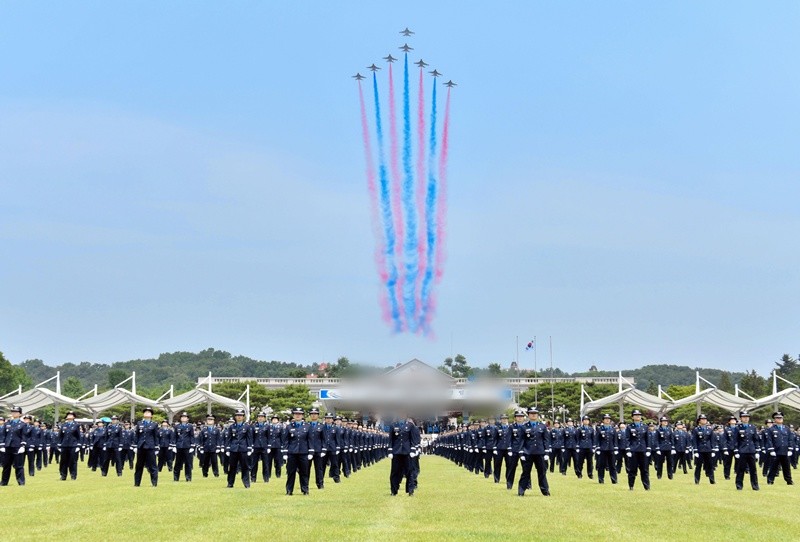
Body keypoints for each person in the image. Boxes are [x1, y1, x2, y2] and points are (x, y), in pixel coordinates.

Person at [518, 407, 551, 497]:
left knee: (542, 473)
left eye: (535, 413)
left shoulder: (542, 426)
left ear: (537, 415)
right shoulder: (524, 427)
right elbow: (521, 441)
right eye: (531, 413)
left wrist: (547, 452)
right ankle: (521, 491)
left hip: (540, 453)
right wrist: (521, 453)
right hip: (528, 453)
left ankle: (545, 491)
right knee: (525, 473)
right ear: (528, 415)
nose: (533, 415)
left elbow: (546, 440)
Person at [388, 412, 421, 496]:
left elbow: (413, 439)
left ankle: (410, 490)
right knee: (395, 472)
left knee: (409, 472)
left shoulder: (410, 425)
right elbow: (390, 440)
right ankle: (394, 490)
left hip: (407, 452)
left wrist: (413, 450)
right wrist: (390, 451)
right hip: (396, 452)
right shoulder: (393, 425)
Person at [282, 407, 312, 495]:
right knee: (291, 472)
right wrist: (285, 452)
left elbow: (310, 440)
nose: (298, 415)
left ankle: (305, 490)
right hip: (292, 453)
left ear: (302, 415)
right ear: (293, 415)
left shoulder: (308, 426)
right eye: (296, 414)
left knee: (304, 472)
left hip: (303, 452)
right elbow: (286, 440)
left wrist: (311, 452)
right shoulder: (289, 427)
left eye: (299, 414)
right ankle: (289, 490)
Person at [224, 409, 253, 488]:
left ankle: (246, 483)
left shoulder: (247, 426)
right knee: (232, 467)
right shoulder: (232, 427)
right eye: (237, 415)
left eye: (240, 415)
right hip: (233, 449)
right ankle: (230, 483)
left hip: (243, 449)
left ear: (243, 417)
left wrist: (250, 448)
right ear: (235, 417)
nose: (239, 417)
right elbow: (228, 439)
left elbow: (249, 438)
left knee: (245, 467)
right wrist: (227, 448)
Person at [732, 411, 760, 491]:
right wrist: (736, 451)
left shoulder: (753, 427)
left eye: (747, 417)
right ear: (741, 418)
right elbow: (735, 440)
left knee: (753, 470)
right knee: (740, 470)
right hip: (742, 451)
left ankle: (755, 486)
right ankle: (739, 485)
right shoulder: (738, 428)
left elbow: (756, 440)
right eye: (744, 417)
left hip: (751, 451)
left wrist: (757, 450)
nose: (746, 418)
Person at [624, 410, 651, 490]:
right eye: (635, 415)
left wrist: (648, 449)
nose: (637, 416)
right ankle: (631, 486)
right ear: (632, 417)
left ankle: (647, 487)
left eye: (639, 415)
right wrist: (628, 449)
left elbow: (647, 439)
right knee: (632, 470)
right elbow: (627, 439)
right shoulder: (629, 427)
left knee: (645, 470)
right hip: (633, 451)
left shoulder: (645, 427)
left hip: (643, 450)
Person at [765, 411, 794, 486]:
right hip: (776, 451)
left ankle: (789, 481)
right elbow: (769, 440)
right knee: (773, 467)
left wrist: (790, 449)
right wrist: (771, 449)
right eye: (777, 418)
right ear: (774, 419)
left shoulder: (786, 428)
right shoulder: (771, 429)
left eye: (781, 418)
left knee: (786, 467)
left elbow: (790, 439)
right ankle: (770, 480)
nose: (780, 419)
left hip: (785, 451)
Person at [134, 406, 159, 487]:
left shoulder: (154, 424)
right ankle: (137, 483)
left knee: (152, 466)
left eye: (149, 412)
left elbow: (156, 436)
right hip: (141, 446)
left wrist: (156, 447)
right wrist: (135, 446)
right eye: (145, 412)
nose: (147, 413)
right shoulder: (139, 423)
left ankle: (154, 483)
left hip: (150, 447)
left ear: (151, 415)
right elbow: (136, 435)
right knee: (139, 466)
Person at [692, 413, 716, 485]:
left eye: (705, 419)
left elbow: (712, 440)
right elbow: (694, 441)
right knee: (698, 466)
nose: (704, 420)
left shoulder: (710, 430)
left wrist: (713, 450)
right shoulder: (696, 430)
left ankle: (712, 480)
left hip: (708, 449)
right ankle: (697, 480)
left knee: (710, 465)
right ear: (699, 421)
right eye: (702, 419)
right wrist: (695, 450)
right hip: (700, 450)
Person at [57, 410, 81, 481]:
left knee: (72, 461)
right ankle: (63, 475)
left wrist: (78, 445)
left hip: (73, 445)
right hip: (64, 445)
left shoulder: (76, 425)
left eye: (71, 415)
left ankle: (73, 475)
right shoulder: (64, 425)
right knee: (63, 461)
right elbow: (60, 436)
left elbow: (78, 436)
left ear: (74, 417)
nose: (69, 416)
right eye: (68, 415)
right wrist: (59, 445)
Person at [506, 410, 526, 489]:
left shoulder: (526, 426)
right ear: (515, 418)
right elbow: (509, 438)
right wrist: (509, 449)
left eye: (521, 416)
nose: (520, 418)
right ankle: (509, 484)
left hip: (524, 450)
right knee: (511, 468)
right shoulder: (512, 427)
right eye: (518, 416)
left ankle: (527, 484)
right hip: (514, 449)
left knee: (526, 468)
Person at [307, 408, 327, 489]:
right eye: (312, 414)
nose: (313, 415)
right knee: (306, 468)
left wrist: (324, 449)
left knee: (319, 468)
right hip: (308, 450)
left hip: (318, 450)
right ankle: (305, 484)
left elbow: (324, 439)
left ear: (318, 415)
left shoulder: (322, 426)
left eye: (315, 414)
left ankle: (320, 484)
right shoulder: (307, 425)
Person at [595, 413, 618, 484]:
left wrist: (616, 448)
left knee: (612, 465)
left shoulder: (613, 429)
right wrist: (598, 448)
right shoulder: (599, 429)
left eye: (609, 419)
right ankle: (601, 479)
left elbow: (615, 439)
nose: (607, 420)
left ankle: (614, 479)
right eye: (606, 419)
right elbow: (597, 439)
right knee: (601, 465)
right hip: (602, 449)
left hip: (611, 449)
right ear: (603, 420)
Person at [173, 412, 195, 482]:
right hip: (179, 446)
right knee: (177, 463)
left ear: (187, 418)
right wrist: (174, 445)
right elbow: (175, 437)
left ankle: (188, 478)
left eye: (185, 417)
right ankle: (176, 478)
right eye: (182, 417)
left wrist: (192, 446)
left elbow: (192, 436)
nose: (183, 418)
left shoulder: (190, 426)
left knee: (188, 463)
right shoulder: (177, 426)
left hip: (187, 446)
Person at [250, 412, 270, 483]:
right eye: (259, 416)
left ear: (264, 418)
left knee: (265, 463)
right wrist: (251, 446)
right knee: (254, 463)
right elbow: (251, 437)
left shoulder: (267, 426)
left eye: (262, 417)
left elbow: (269, 437)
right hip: (256, 446)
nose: (260, 418)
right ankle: (253, 478)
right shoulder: (253, 426)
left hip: (264, 446)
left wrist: (269, 446)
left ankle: (266, 478)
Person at [575, 415, 595, 479]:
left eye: (587, 420)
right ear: (582, 421)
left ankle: (590, 474)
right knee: (580, 461)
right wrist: (577, 447)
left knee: (590, 462)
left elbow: (593, 438)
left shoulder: (591, 429)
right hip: (582, 447)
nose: (586, 421)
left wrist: (593, 447)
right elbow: (577, 438)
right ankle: (579, 473)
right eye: (585, 420)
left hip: (589, 447)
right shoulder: (579, 429)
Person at [493, 414, 511, 484]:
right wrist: (494, 448)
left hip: (508, 449)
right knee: (497, 464)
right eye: (503, 418)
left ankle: (508, 479)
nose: (504, 420)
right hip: (499, 448)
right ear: (500, 420)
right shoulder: (497, 428)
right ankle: (496, 479)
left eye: (506, 418)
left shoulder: (510, 427)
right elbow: (494, 439)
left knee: (509, 465)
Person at [266, 414, 283, 481]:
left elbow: (282, 437)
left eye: (276, 419)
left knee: (278, 461)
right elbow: (267, 437)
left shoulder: (281, 427)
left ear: (278, 420)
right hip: (270, 446)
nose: (274, 420)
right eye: (273, 419)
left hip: (278, 446)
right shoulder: (268, 427)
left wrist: (282, 446)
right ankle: (268, 474)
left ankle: (278, 474)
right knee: (269, 461)